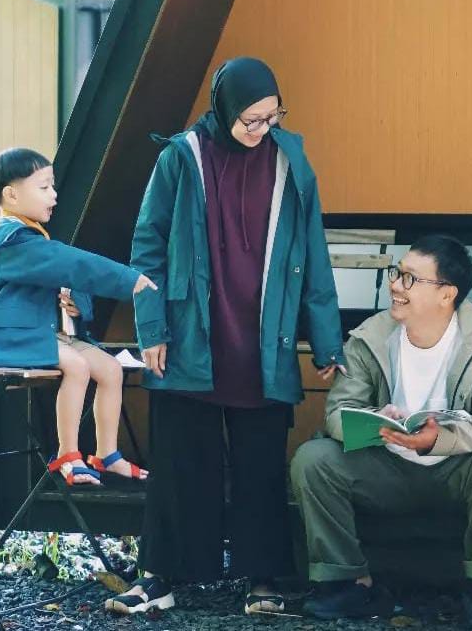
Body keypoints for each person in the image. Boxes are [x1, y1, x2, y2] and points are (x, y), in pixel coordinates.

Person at [106, 56, 345, 618]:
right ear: (224, 108)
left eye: (272, 117)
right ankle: (161, 577)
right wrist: (151, 328)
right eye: (251, 120)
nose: (262, 130)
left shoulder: (291, 161)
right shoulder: (181, 157)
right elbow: (148, 246)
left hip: (265, 341)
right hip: (190, 334)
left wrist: (327, 340)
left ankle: (263, 581)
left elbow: (313, 252)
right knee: (181, 461)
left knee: (261, 464)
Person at [290, 234, 472, 630]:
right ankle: (345, 582)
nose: (395, 285)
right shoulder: (370, 338)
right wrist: (376, 421)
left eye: (409, 278)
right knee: (313, 460)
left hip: (456, 469)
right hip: (384, 467)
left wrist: (440, 439)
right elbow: (337, 413)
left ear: (446, 294)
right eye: (396, 273)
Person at [0, 148, 157, 487]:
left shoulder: (31, 236)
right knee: (78, 367)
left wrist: (76, 305)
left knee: (110, 369)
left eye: (52, 186)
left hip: (39, 331)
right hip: (4, 335)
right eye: (43, 187)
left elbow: (66, 279)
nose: (54, 195)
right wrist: (127, 279)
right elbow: (71, 264)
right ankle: (68, 455)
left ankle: (107, 455)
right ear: (11, 195)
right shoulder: (11, 240)